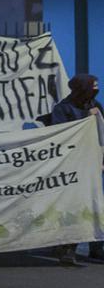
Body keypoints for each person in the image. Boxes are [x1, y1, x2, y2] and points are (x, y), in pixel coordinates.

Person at [50, 74, 102, 267]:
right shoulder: (63, 109)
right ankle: (67, 248)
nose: (96, 90)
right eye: (93, 86)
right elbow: (60, 135)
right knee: (73, 206)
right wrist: (85, 120)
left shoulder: (94, 105)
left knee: (95, 205)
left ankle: (96, 248)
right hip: (72, 166)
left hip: (92, 164)